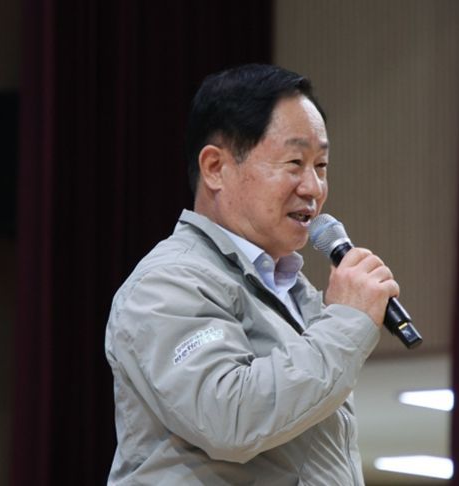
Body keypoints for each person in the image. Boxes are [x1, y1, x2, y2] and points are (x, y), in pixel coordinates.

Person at [105, 64, 400, 485]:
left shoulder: (295, 293)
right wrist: (346, 322)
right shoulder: (167, 282)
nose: (313, 187)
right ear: (215, 168)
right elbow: (228, 418)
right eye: (295, 162)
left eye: (321, 165)